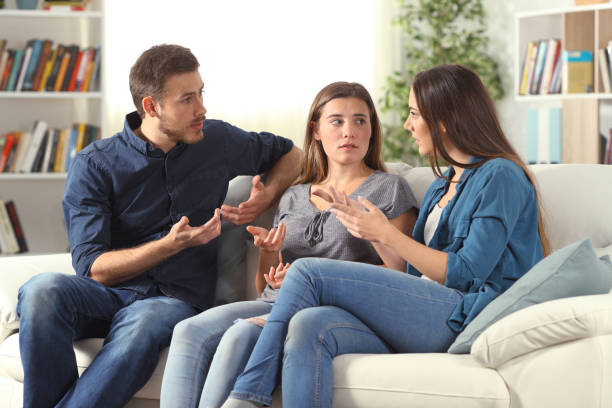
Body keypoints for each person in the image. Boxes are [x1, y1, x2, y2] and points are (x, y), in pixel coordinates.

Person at [221, 64, 552, 408]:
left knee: (307, 271)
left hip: (463, 314)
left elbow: (466, 273)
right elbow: (413, 273)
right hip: (424, 307)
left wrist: (387, 235)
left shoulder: (500, 175)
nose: (408, 126)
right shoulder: (442, 185)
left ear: (445, 117)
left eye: (414, 114)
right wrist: (373, 233)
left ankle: (245, 398)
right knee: (307, 324)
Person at [15, 44, 301, 408]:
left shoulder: (216, 141)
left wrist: (267, 195)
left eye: (201, 93)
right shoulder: (95, 164)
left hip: (173, 300)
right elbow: (93, 268)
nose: (202, 108)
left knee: (143, 322)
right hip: (107, 295)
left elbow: (292, 153)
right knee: (41, 290)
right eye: (187, 99)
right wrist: (170, 244)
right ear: (151, 107)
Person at [159, 81, 418, 408]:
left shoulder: (389, 189)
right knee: (188, 330)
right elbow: (265, 286)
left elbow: (401, 275)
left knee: (240, 335)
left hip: (334, 311)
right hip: (275, 303)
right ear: (317, 131)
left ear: (371, 131)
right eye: (337, 121)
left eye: (360, 121)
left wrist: (369, 229)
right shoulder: (294, 195)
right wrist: (268, 253)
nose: (349, 131)